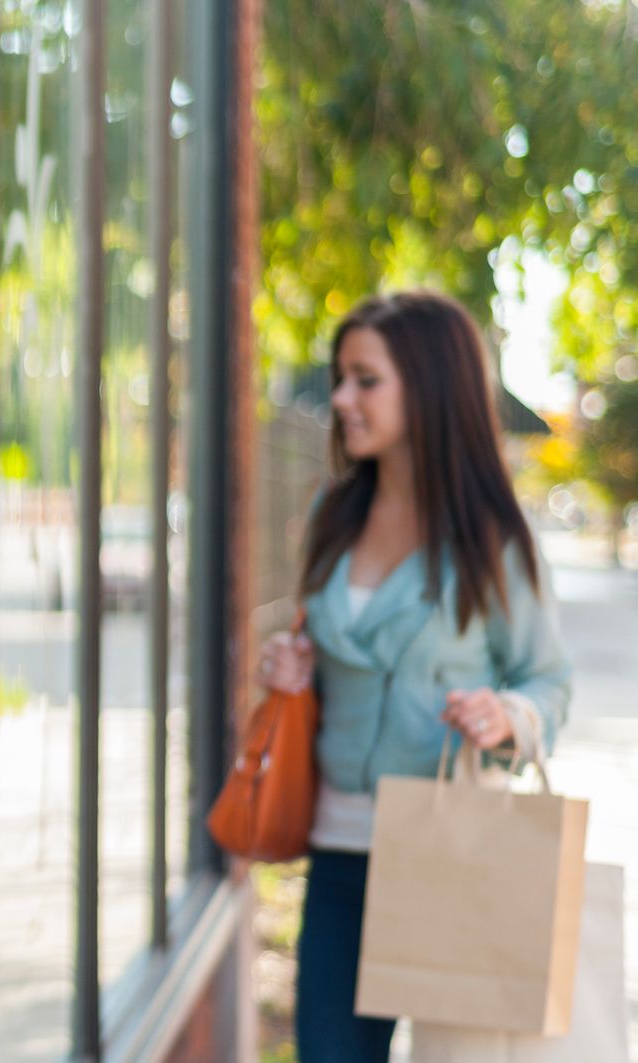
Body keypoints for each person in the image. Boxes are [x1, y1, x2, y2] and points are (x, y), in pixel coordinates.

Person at [258, 292, 572, 1063]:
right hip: (337, 856)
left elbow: (549, 681)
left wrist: (507, 715)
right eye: (341, 378)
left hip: (454, 852)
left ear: (428, 387)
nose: (340, 399)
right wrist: (289, 675)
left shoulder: (492, 538)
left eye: (366, 380)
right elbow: (320, 659)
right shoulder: (335, 510)